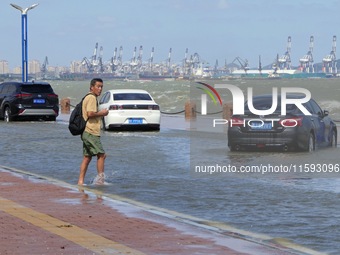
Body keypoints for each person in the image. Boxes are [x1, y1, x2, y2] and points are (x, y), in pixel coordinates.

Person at [78, 78, 109, 185]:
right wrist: (102, 113)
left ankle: (80, 181)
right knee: (101, 155)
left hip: (86, 132)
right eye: (98, 86)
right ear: (92, 87)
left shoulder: (88, 97)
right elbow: (90, 113)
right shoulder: (91, 98)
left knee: (87, 157)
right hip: (91, 132)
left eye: (101, 87)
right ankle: (100, 181)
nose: (100, 89)